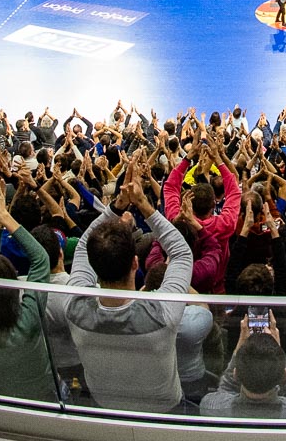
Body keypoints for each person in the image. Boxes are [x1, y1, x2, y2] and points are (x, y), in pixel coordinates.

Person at [51, 153, 196, 412]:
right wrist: (142, 203)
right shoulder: (163, 313)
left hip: (104, 406)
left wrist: (117, 206)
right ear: (135, 263)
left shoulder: (73, 306)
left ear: (93, 267)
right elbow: (182, 252)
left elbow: (83, 245)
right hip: (164, 410)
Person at [0, 173, 58, 401]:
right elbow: (41, 259)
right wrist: (3, 215)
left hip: (3, 391)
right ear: (10, 287)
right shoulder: (25, 325)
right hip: (43, 393)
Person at [200, 319, 286, 419]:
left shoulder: (210, 407)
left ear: (235, 374)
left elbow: (224, 393)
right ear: (285, 376)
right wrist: (277, 350)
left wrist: (239, 346)